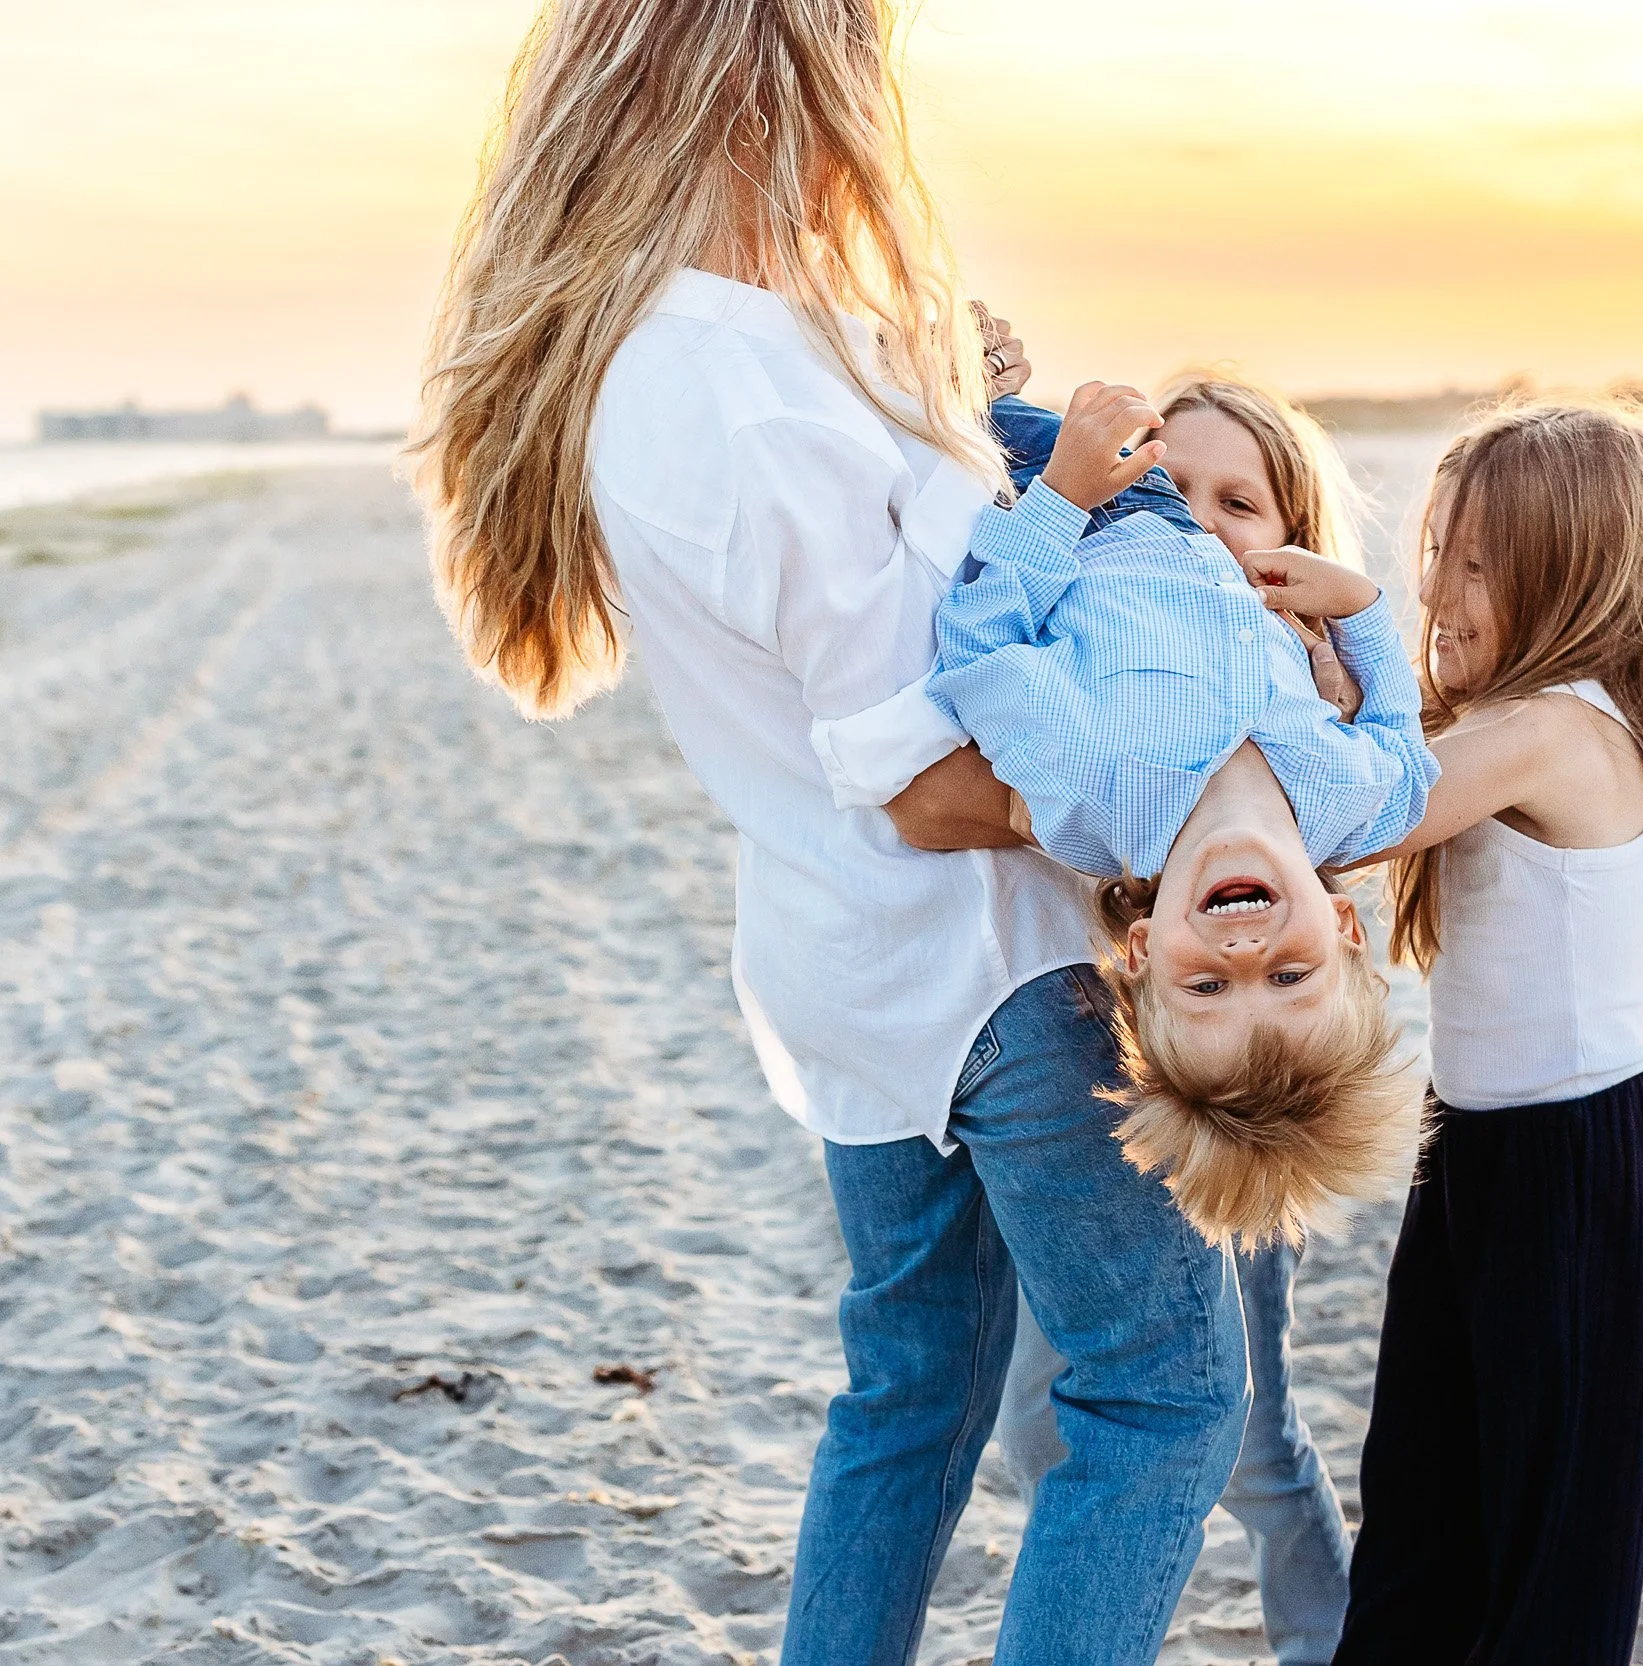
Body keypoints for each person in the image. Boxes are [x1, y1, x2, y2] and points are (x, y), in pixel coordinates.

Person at [406, 5, 1252, 1663]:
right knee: (1164, 1393)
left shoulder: (714, 350)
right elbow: (931, 785)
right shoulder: (730, 387)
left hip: (836, 967)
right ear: (773, 85)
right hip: (982, 969)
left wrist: (954, 398)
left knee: (912, 1392)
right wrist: (1219, 819)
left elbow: (911, 630)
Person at [1321, 398, 1643, 1665]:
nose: (1439, 587)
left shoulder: (1556, 730)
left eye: (1480, 560)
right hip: (1471, 1153)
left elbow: (1360, 810)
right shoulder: (1511, 720)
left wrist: (1354, 626)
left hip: (1579, 1168)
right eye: (1441, 550)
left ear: (1568, 573)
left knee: (1552, 1560)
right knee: (1425, 1511)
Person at [981, 368, 1373, 1666]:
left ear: (1295, 533)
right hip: (1095, 1076)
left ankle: (1327, 1635)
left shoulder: (1311, 713)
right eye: (1178, 488)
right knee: (1052, 1403)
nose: (1201, 522)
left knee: (1249, 1428)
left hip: (1235, 1100)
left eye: (1240, 501)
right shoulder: (1121, 639)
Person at [908, 376, 1436, 1245]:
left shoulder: (1091, 791)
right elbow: (1401, 735)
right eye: (1289, 977)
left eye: (1207, 986)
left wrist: (1065, 496)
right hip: (1193, 526)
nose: (1244, 951)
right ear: (1344, 929)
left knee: (936, 364)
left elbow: (981, 651)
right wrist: (1361, 610)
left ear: (1146, 952)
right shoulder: (1364, 806)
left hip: (1074, 511)